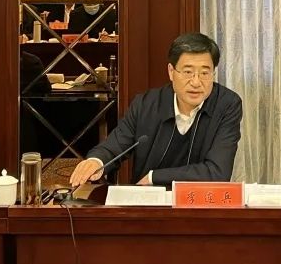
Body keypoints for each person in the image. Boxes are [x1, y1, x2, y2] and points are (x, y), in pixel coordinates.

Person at [69, 32, 242, 187]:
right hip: (149, 204)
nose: (196, 82)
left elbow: (218, 172)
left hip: (199, 204)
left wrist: (155, 177)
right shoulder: (146, 105)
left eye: (204, 73)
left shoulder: (227, 105)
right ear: (171, 72)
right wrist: (96, 161)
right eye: (188, 72)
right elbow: (115, 145)